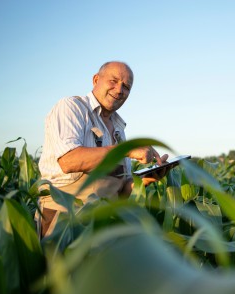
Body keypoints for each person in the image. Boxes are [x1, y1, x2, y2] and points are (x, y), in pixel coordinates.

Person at [37, 61, 168, 237]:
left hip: (102, 223)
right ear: (96, 79)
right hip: (65, 219)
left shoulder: (119, 128)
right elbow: (69, 160)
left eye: (126, 87)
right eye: (113, 81)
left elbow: (120, 191)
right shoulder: (71, 108)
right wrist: (125, 150)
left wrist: (144, 180)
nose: (120, 90)